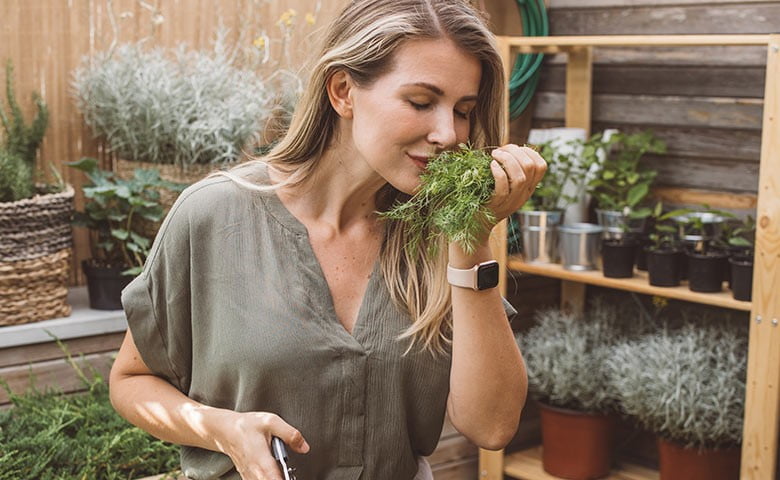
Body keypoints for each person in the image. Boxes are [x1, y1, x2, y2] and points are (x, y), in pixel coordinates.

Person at [109, 0, 546, 479]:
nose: (448, 133)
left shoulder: (439, 232)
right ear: (343, 91)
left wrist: (471, 236)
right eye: (421, 102)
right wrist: (220, 429)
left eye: (463, 110)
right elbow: (132, 380)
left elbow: (493, 426)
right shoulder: (213, 215)